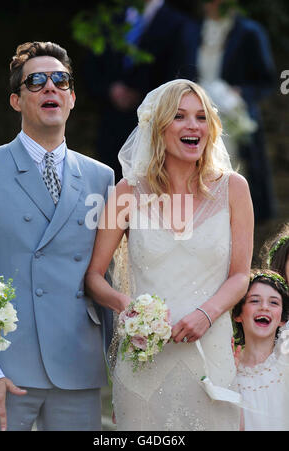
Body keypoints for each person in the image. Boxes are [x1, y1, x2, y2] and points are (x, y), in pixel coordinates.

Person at [85, 78, 254, 430]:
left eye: (201, 117)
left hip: (211, 359)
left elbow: (240, 275)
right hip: (144, 364)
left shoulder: (234, 189)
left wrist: (206, 315)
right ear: (159, 128)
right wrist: (127, 308)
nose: (193, 125)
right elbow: (94, 277)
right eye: (179, 116)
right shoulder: (127, 192)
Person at [0, 41, 114, 431]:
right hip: (6, 368)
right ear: (15, 100)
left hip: (77, 366)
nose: (50, 88)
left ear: (72, 98)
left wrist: (119, 365)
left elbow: (106, 277)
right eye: (36, 81)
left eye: (61, 80)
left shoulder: (102, 177)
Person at [182, 0, 277, 224]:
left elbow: (266, 80)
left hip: (233, 116)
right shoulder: (191, 31)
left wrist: (239, 93)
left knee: (235, 172)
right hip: (195, 114)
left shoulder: (249, 32)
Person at [83, 0, 193, 181]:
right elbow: (92, 67)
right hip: (112, 125)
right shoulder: (111, 19)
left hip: (156, 130)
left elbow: (181, 76)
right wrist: (110, 90)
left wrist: (143, 95)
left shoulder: (180, 23)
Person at [232, 270, 289, 431]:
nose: (264, 307)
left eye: (274, 303)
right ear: (238, 314)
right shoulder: (229, 368)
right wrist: (230, 379)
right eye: (255, 301)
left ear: (282, 319)